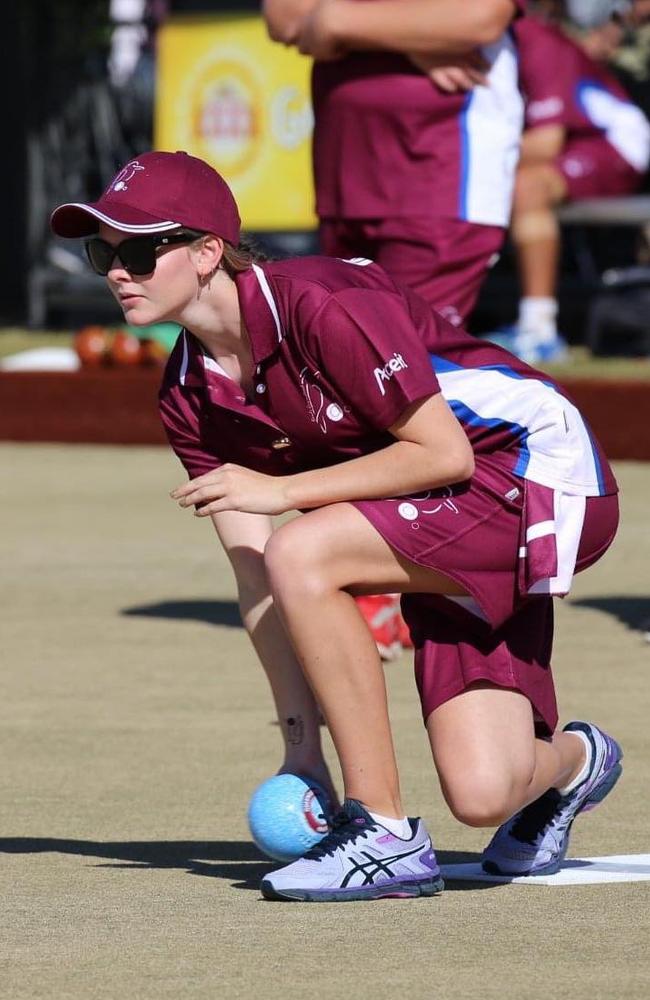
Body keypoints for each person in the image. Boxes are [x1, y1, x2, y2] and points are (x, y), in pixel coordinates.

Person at [51, 150, 622, 903]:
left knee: (307, 547)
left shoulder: (321, 301)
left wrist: (283, 489)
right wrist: (300, 752)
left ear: (206, 251)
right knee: (485, 789)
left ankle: (383, 831)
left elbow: (443, 453)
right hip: (429, 518)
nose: (117, 271)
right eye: (101, 253)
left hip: (535, 473)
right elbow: (258, 578)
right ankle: (579, 764)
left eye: (137, 249)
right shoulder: (186, 394)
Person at [262, 0, 526, 656]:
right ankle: (363, 574)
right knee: (331, 380)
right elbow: (287, 19)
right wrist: (408, 39)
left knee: (413, 389)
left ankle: (411, 584)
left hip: (445, 176)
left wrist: (342, 25)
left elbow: (478, 20)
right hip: (349, 172)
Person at [495, 9, 650, 362]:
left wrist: (455, 159)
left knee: (528, 186)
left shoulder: (536, 40)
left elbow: (545, 144)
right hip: (571, 144)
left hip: (615, 143)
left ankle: (539, 330)